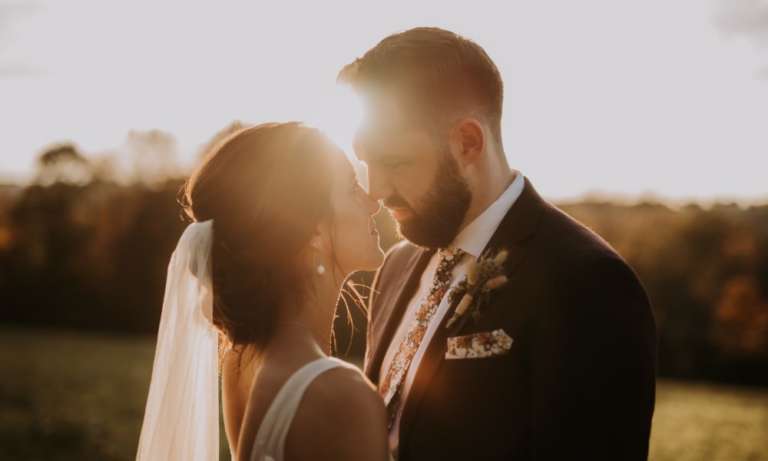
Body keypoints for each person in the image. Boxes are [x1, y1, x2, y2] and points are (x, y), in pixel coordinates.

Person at [338, 27, 658, 460]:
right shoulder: (394, 267)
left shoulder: (587, 282)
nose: (375, 189)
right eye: (366, 161)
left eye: (394, 162)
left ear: (468, 143)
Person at [136, 122, 390, 461]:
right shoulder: (338, 395)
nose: (373, 204)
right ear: (312, 230)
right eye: (352, 187)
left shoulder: (242, 362)